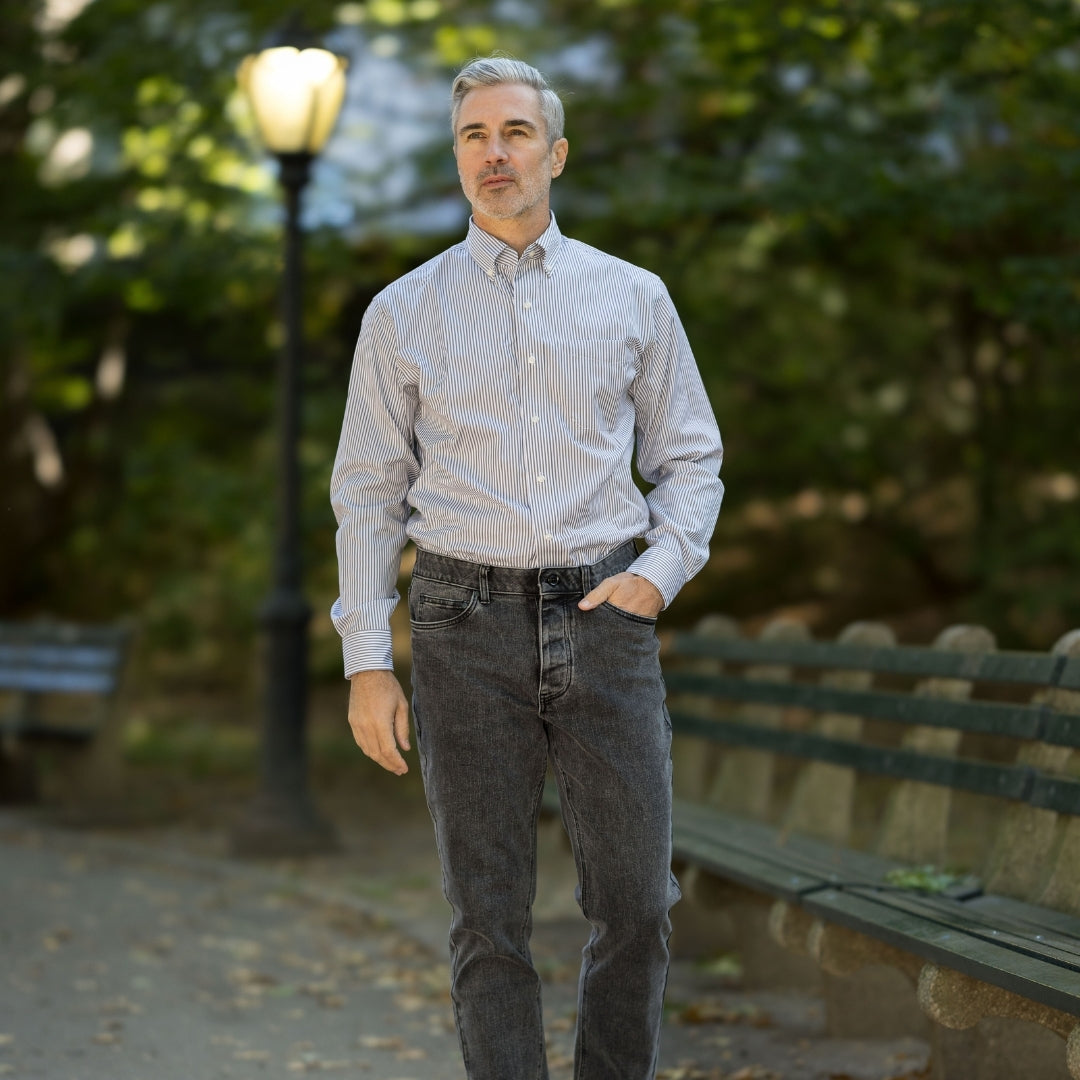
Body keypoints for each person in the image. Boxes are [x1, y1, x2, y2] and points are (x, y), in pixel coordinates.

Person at [330, 55, 724, 1080]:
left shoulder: (633, 296)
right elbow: (367, 494)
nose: (493, 153)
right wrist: (368, 660)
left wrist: (659, 571)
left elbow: (691, 456)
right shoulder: (403, 312)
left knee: (637, 905)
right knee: (488, 919)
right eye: (473, 136)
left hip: (605, 616)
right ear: (457, 159)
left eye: (513, 133)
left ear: (554, 152)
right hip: (463, 623)